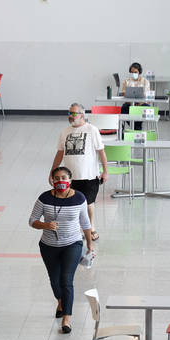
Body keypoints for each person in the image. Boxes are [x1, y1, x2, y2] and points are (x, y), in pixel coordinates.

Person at [29, 166, 96, 334]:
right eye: (57, 178)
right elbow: (32, 220)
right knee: (55, 281)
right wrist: (45, 225)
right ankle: (61, 300)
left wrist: (90, 245)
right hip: (48, 246)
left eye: (64, 178)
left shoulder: (79, 198)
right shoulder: (44, 198)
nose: (61, 181)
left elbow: (86, 224)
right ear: (52, 180)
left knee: (66, 280)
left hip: (72, 244)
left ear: (70, 180)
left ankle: (66, 318)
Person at [50, 103, 109, 242]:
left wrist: (105, 171)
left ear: (82, 115)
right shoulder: (64, 132)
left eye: (74, 113)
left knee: (88, 204)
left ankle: (91, 228)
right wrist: (53, 171)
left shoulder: (91, 129)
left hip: (89, 175)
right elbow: (60, 153)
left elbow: (101, 151)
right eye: (69, 113)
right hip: (70, 177)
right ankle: (76, 229)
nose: (71, 116)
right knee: (73, 203)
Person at [120, 62, 150, 128]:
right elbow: (124, 94)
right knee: (124, 109)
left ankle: (136, 127)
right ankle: (134, 127)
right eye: (132, 72)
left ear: (139, 72)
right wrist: (131, 103)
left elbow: (147, 96)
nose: (134, 74)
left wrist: (140, 103)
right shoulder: (127, 81)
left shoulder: (145, 81)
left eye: (135, 72)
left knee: (145, 108)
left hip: (142, 104)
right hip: (129, 103)